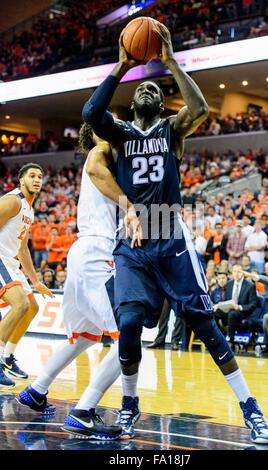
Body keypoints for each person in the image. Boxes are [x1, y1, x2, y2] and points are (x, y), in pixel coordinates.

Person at [82, 23, 268, 444]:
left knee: (204, 325)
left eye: (155, 89)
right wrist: (121, 65)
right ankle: (129, 404)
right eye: (141, 89)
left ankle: (251, 409)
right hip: (132, 243)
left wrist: (170, 61)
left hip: (170, 236)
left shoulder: (172, 130)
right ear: (131, 104)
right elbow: (91, 115)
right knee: (129, 323)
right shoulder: (118, 133)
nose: (148, 90)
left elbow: (200, 108)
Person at [18, 125, 142, 440]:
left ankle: (37, 389)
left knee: (85, 336)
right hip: (97, 254)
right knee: (127, 338)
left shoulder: (102, 158)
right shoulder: (101, 152)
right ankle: (83, 411)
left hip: (83, 253)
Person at [0, 163, 53, 388]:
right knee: (20, 304)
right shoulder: (13, 201)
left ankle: (7, 357)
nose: (37, 179)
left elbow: (22, 250)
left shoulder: (29, 209)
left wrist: (36, 281)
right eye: (32, 175)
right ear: (21, 180)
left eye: (40, 176)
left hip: (11, 261)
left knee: (31, 307)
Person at [225, 264, 258, 348]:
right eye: (234, 271)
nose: (236, 274)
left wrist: (239, 307)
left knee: (232, 314)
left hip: (244, 312)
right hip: (229, 309)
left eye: (239, 272)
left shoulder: (250, 285)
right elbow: (226, 300)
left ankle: (231, 340)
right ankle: (217, 338)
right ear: (232, 273)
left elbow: (253, 305)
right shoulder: (229, 284)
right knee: (215, 313)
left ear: (243, 273)